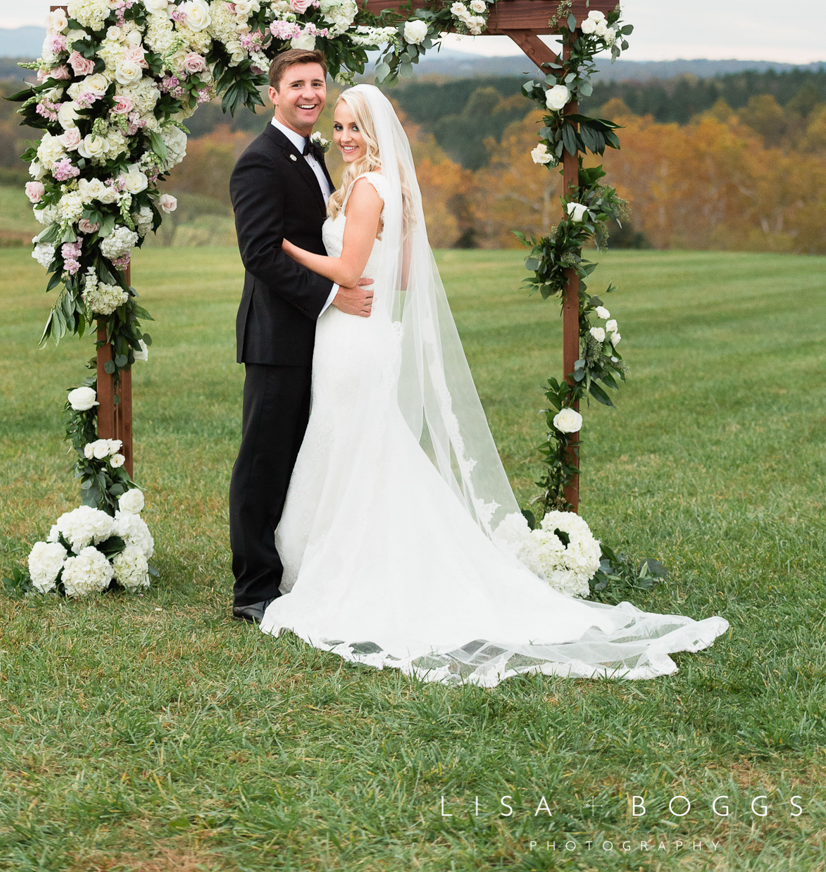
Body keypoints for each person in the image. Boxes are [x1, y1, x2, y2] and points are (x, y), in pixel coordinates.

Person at [259, 83, 728, 684]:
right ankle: (350, 553)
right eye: (341, 126)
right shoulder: (378, 187)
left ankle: (352, 564)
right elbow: (396, 273)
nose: (345, 137)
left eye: (355, 127)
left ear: (375, 135)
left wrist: (288, 248)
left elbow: (350, 270)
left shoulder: (369, 190)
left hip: (354, 340)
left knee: (354, 442)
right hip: (359, 334)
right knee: (359, 443)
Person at [227, 48, 373, 623]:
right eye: (297, 85)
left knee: (304, 459)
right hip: (277, 339)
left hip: (319, 339)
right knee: (263, 461)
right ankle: (254, 590)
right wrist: (334, 295)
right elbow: (260, 254)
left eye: (317, 83)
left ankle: (296, 568)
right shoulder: (259, 162)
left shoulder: (315, 154)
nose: (310, 93)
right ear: (273, 94)